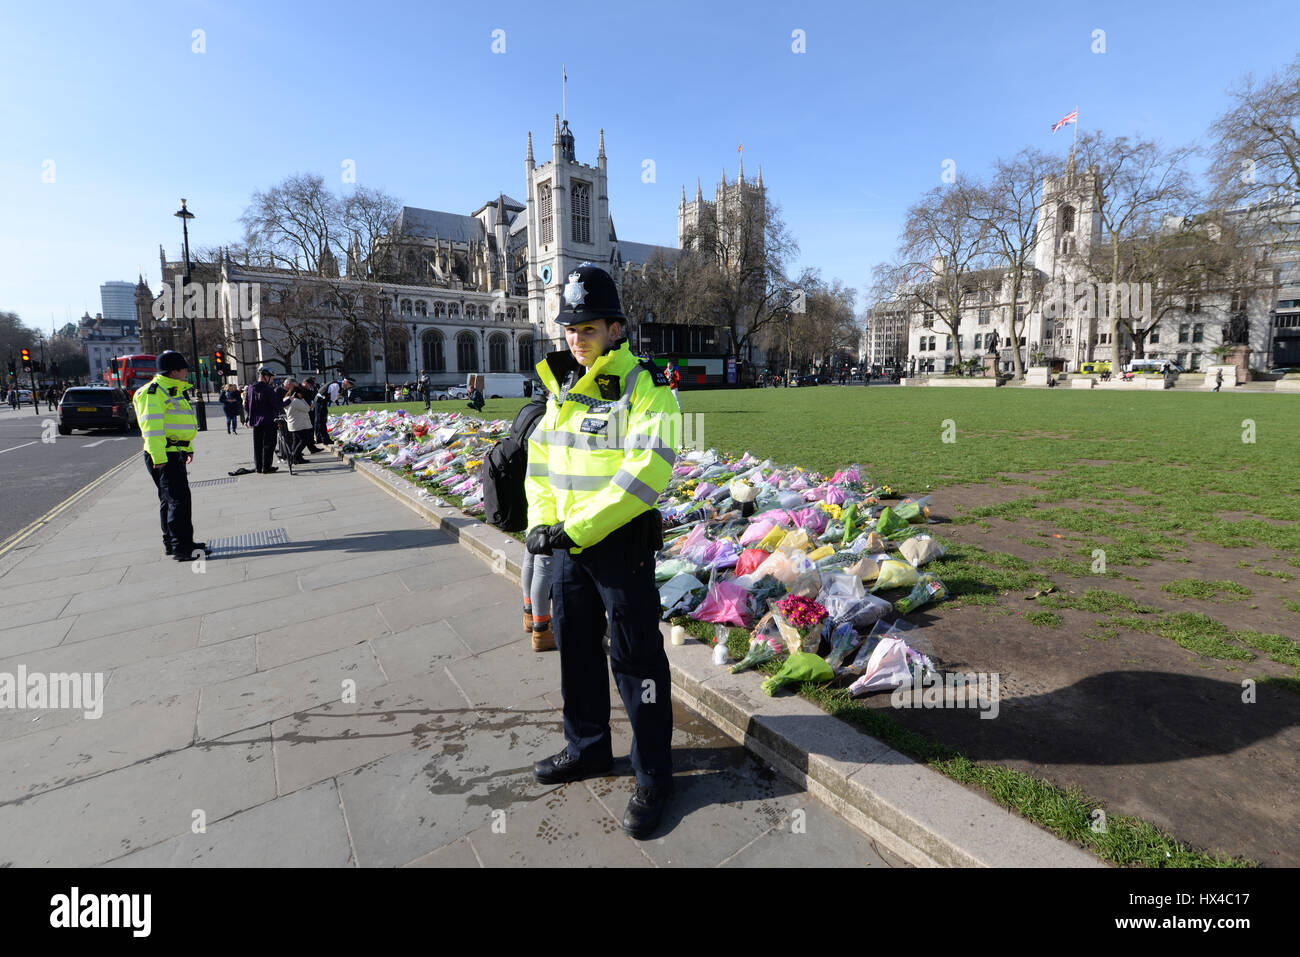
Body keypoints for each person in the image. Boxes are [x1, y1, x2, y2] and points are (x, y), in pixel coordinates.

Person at [524, 262, 682, 840]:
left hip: (618, 548)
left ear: (616, 328)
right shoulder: (563, 386)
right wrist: (545, 524)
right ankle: (588, 747)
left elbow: (646, 474)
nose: (576, 336)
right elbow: (541, 463)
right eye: (570, 326)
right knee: (576, 653)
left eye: (588, 327)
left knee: (638, 662)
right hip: (567, 546)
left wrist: (576, 528)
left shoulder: (645, 388)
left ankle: (655, 774)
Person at [134, 350, 210, 561]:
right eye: (184, 368)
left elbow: (177, 424)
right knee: (179, 501)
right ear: (174, 371)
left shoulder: (172, 390)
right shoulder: (153, 392)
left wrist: (187, 447)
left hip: (174, 451)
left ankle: (175, 542)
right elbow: (152, 428)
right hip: (164, 454)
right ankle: (182, 548)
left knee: (169, 500)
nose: (187, 371)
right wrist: (159, 458)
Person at [244, 367, 280, 473]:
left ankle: (259, 467)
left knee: (258, 445)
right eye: (271, 377)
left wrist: (252, 415)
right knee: (269, 444)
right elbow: (276, 405)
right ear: (265, 377)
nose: (272, 380)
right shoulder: (268, 389)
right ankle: (266, 466)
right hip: (268, 420)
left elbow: (246, 405)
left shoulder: (250, 388)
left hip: (255, 421)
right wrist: (288, 401)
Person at [281, 380, 313, 464]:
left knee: (296, 441)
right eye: (301, 394)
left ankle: (298, 458)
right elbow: (307, 408)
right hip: (299, 424)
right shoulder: (296, 401)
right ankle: (294, 455)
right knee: (304, 440)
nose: (302, 396)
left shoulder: (286, 399)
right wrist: (302, 400)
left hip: (293, 423)